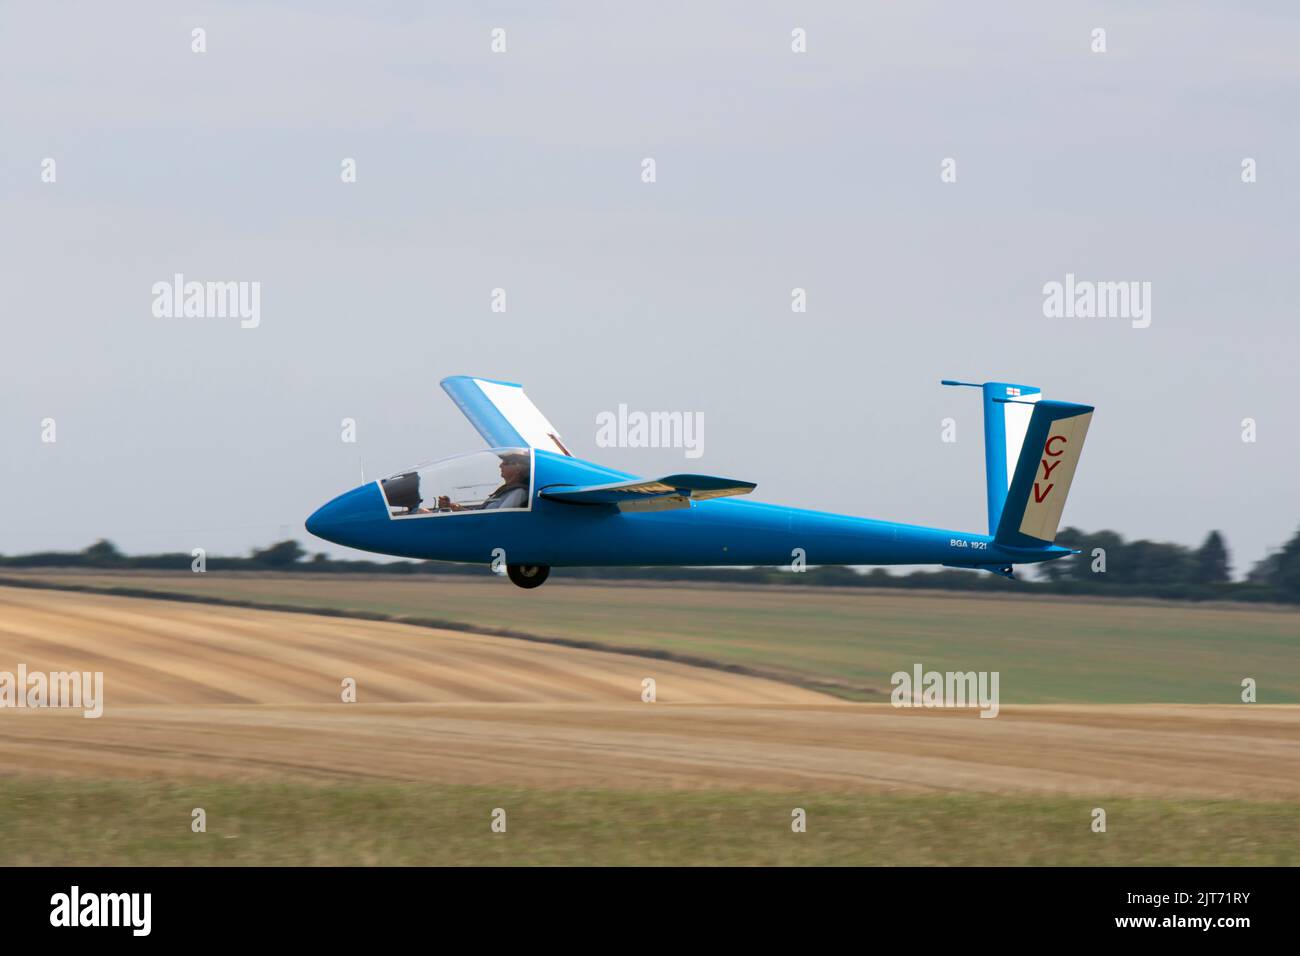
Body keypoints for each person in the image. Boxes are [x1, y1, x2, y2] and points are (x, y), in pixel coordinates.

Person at [437, 452, 530, 511]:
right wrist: (456, 508)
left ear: (518, 469)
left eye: (505, 463)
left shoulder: (518, 493)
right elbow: (483, 515)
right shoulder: (504, 491)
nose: (500, 466)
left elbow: (496, 521)